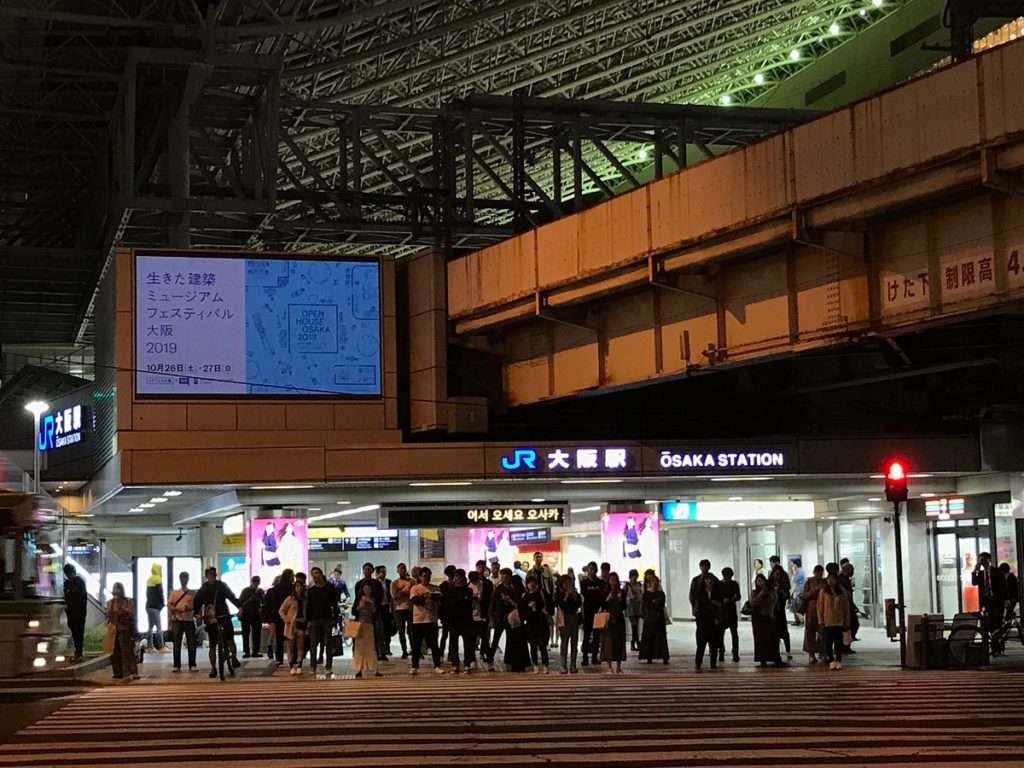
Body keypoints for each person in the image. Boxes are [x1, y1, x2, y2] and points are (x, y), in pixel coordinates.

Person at [192, 566, 241, 678]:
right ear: (208, 575)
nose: (213, 576)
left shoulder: (209, 587)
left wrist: (239, 607)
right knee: (220, 642)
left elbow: (231, 596)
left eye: (213, 574)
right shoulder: (216, 586)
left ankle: (224, 663)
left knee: (222, 641)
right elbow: (231, 597)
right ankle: (223, 663)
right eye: (211, 574)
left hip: (215, 616)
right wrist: (196, 612)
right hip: (218, 616)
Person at [409, 566, 443, 675]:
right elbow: (415, 600)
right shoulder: (415, 588)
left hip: (431, 620)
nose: (426, 578)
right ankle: (414, 666)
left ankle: (437, 666)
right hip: (418, 620)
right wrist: (427, 596)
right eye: (424, 576)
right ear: (420, 577)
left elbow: (438, 597)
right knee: (416, 645)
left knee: (434, 645)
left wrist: (429, 596)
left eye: (428, 576)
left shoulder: (435, 588)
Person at [972, 552, 1006, 654]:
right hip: (986, 602)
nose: (981, 561)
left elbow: (1003, 586)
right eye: (980, 560)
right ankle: (995, 646)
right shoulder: (981, 574)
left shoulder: (997, 571)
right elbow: (974, 583)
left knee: (998, 624)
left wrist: (1006, 599)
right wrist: (975, 571)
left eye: (982, 559)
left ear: (988, 560)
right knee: (990, 624)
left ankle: (999, 647)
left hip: (997, 601)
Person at [443, 569, 476, 673]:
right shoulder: (450, 591)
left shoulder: (468, 591)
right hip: (453, 621)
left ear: (462, 577)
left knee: (467, 643)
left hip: (466, 620)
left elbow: (468, 605)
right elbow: (447, 606)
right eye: (455, 577)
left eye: (458, 576)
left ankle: (467, 663)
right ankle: (455, 663)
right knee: (453, 643)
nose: (455, 578)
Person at [307, 567, 339, 674]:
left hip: (327, 618)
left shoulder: (330, 588)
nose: (314, 576)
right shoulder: (311, 591)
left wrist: (336, 618)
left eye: (316, 573)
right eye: (312, 574)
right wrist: (308, 620)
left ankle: (328, 666)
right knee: (313, 643)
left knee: (328, 643)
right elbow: (309, 606)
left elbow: (334, 604)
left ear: (321, 574)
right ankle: (313, 666)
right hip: (314, 619)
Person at [105, 582, 139, 681]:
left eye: (118, 588)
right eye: (114, 588)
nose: (115, 590)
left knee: (128, 651)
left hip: (125, 629)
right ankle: (118, 672)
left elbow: (131, 612)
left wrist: (124, 611)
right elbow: (108, 614)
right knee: (115, 652)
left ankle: (132, 671)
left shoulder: (127, 601)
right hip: (114, 630)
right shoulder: (110, 602)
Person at [817, 572, 851, 670]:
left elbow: (846, 607)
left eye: (832, 578)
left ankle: (838, 660)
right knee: (828, 641)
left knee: (838, 641)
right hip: (827, 620)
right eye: (829, 578)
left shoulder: (842, 592)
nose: (830, 581)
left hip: (839, 620)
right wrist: (820, 620)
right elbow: (820, 607)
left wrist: (846, 621)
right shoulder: (823, 591)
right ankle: (831, 660)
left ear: (836, 580)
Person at [354, 562, 387, 660]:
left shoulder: (376, 583)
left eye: (369, 569)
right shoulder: (359, 584)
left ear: (372, 571)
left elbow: (380, 596)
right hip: (362, 614)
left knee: (377, 634)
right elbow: (357, 598)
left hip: (374, 612)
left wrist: (373, 604)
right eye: (365, 569)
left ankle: (379, 652)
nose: (367, 571)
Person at [487, 567, 518, 668]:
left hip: (511, 617)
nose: (504, 578)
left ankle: (510, 660)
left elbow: (517, 602)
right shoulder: (498, 589)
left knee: (511, 640)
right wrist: (491, 617)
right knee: (495, 640)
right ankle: (490, 660)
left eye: (506, 576)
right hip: (500, 618)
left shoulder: (514, 589)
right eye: (502, 575)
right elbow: (492, 603)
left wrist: (510, 600)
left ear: (510, 577)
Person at [520, 575, 551, 673]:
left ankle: (545, 665)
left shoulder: (542, 593)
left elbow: (549, 605)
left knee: (542, 645)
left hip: (541, 622)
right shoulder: (525, 595)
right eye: (529, 583)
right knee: (533, 645)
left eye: (533, 582)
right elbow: (522, 610)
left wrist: (539, 607)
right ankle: (535, 665)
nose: (531, 584)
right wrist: (528, 607)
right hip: (530, 623)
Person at [750, 573, 782, 667]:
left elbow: (774, 601)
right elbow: (753, 602)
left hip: (769, 616)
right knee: (760, 639)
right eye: (758, 581)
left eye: (762, 580)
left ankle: (775, 657)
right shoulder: (754, 592)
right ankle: (762, 659)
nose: (760, 583)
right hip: (758, 618)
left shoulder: (771, 591)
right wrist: (761, 594)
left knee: (772, 638)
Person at [168, 571, 197, 672]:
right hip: (178, 620)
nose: (184, 580)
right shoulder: (174, 593)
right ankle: (176, 665)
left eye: (185, 578)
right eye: (182, 578)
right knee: (177, 643)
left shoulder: (192, 593)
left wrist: (190, 609)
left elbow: (196, 606)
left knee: (192, 643)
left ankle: (192, 664)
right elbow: (169, 606)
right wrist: (176, 610)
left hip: (189, 619)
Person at [279, 578, 309, 675]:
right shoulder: (290, 599)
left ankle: (299, 664)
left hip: (302, 624)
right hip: (292, 624)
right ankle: (291, 665)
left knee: (301, 645)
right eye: (297, 586)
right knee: (290, 646)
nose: (299, 588)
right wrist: (286, 619)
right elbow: (281, 610)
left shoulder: (305, 599)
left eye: (300, 586)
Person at [580, 562, 607, 666]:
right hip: (587, 611)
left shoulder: (601, 582)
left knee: (596, 635)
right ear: (588, 570)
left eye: (594, 569)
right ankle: (585, 657)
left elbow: (602, 596)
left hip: (598, 611)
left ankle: (594, 656)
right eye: (590, 569)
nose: (592, 571)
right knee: (586, 635)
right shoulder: (584, 583)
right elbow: (585, 594)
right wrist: (596, 594)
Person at [352, 583, 382, 677]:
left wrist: (371, 603)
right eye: (365, 588)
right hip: (360, 625)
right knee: (359, 648)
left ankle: (374, 668)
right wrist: (359, 607)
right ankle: (359, 669)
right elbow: (354, 611)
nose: (367, 590)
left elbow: (376, 611)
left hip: (370, 625)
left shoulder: (373, 599)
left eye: (369, 589)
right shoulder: (359, 599)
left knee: (371, 647)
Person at [639, 573, 670, 665]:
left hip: (659, 618)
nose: (655, 584)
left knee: (661, 637)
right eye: (653, 582)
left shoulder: (661, 593)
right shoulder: (646, 594)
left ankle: (664, 657)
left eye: (656, 582)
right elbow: (647, 605)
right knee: (649, 637)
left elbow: (661, 603)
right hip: (649, 619)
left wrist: (654, 603)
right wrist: (654, 602)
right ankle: (649, 656)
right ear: (650, 583)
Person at [798, 564, 826, 664]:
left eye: (820, 572)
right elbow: (805, 595)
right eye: (817, 572)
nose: (818, 574)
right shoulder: (809, 582)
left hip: (823, 609)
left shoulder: (825, 582)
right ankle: (811, 653)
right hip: (811, 609)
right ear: (814, 572)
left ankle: (822, 651)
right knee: (810, 630)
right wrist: (816, 589)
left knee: (822, 631)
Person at [600, 572, 627, 674]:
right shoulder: (605, 592)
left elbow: (624, 607)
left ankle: (619, 666)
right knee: (608, 643)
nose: (613, 582)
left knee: (619, 642)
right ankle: (609, 666)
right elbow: (602, 605)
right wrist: (608, 598)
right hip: (609, 619)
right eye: (611, 580)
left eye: (615, 580)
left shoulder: (621, 592)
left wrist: (620, 599)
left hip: (619, 619)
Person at [266, 568, 294, 665]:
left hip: (279, 615)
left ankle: (279, 658)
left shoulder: (276, 589)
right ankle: (292, 657)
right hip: (291, 615)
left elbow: (273, 603)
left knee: (279, 637)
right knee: (291, 636)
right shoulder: (291, 588)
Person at [694, 573, 721, 670]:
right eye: (706, 580)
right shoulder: (700, 592)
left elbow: (720, 605)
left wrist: (714, 604)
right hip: (703, 620)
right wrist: (711, 603)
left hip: (713, 621)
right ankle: (698, 663)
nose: (709, 581)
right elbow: (700, 605)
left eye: (711, 580)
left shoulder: (717, 592)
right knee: (701, 643)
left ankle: (713, 663)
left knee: (713, 644)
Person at [555, 574, 582, 673]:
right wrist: (566, 596)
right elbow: (560, 604)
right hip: (564, 618)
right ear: (561, 584)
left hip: (574, 617)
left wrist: (574, 595)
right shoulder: (559, 593)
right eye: (565, 583)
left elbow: (579, 603)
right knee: (564, 642)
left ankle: (573, 665)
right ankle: (563, 665)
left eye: (569, 582)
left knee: (574, 642)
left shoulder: (575, 593)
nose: (567, 585)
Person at [62, 563, 87, 663]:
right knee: (75, 631)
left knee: (79, 632)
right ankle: (77, 652)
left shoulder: (79, 582)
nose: (69, 576)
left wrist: (70, 592)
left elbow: (81, 596)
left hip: (79, 612)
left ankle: (79, 652)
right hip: (71, 612)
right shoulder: (67, 583)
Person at [716, 567, 741, 663]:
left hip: (731, 611)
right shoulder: (719, 584)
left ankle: (735, 654)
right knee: (720, 634)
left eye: (729, 577)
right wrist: (723, 600)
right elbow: (716, 597)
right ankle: (721, 652)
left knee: (734, 634)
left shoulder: (734, 584)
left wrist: (731, 599)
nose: (728, 579)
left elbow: (738, 596)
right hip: (722, 612)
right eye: (726, 577)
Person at [391, 563, 414, 659]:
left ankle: (413, 649)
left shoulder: (412, 581)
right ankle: (404, 650)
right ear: (397, 570)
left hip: (409, 609)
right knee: (401, 631)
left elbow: (413, 594)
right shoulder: (394, 583)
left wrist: (401, 592)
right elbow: (395, 596)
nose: (403, 570)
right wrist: (405, 593)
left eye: (404, 568)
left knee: (411, 631)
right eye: (401, 569)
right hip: (398, 609)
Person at [769, 564, 792, 660]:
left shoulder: (784, 585)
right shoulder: (769, 585)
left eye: (779, 574)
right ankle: (774, 651)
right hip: (772, 611)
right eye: (776, 573)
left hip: (780, 610)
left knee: (784, 631)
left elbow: (787, 595)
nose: (777, 575)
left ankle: (788, 650)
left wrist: (781, 592)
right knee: (773, 631)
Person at [237, 575, 264, 658]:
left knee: (255, 634)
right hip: (248, 615)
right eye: (255, 581)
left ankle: (253, 651)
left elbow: (263, 601)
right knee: (247, 634)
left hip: (254, 615)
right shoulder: (246, 591)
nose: (256, 583)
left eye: (257, 581)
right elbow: (240, 602)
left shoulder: (259, 591)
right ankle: (249, 651)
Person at [144, 562, 167, 653]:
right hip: (155, 607)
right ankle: (161, 646)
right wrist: (162, 604)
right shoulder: (158, 579)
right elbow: (160, 593)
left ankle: (150, 646)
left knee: (150, 626)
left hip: (148, 606)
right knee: (158, 626)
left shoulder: (149, 580)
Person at [474, 560, 494, 654]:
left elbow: (491, 596)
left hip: (485, 610)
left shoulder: (488, 583)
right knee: (475, 632)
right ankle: (475, 647)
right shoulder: (472, 582)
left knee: (485, 632)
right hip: (475, 611)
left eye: (483, 567)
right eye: (480, 567)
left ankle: (484, 651)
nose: (481, 569)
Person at [375, 565, 393, 661]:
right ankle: (379, 649)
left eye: (384, 571)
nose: (383, 573)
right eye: (381, 571)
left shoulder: (389, 582)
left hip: (387, 606)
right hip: (378, 607)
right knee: (378, 628)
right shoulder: (375, 582)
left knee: (387, 628)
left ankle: (387, 647)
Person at [625, 569, 643, 652]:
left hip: (637, 606)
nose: (634, 578)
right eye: (633, 576)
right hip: (630, 607)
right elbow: (624, 597)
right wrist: (631, 598)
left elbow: (641, 595)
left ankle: (635, 643)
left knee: (636, 626)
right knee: (634, 626)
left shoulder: (639, 584)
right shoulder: (626, 586)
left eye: (636, 576)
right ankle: (636, 643)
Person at [789, 558, 806, 627]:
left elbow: (794, 579)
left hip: (800, 592)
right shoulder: (797, 571)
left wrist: (793, 571)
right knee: (794, 607)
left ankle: (802, 621)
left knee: (799, 607)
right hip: (796, 592)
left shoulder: (800, 571)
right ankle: (797, 620)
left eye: (793, 565)